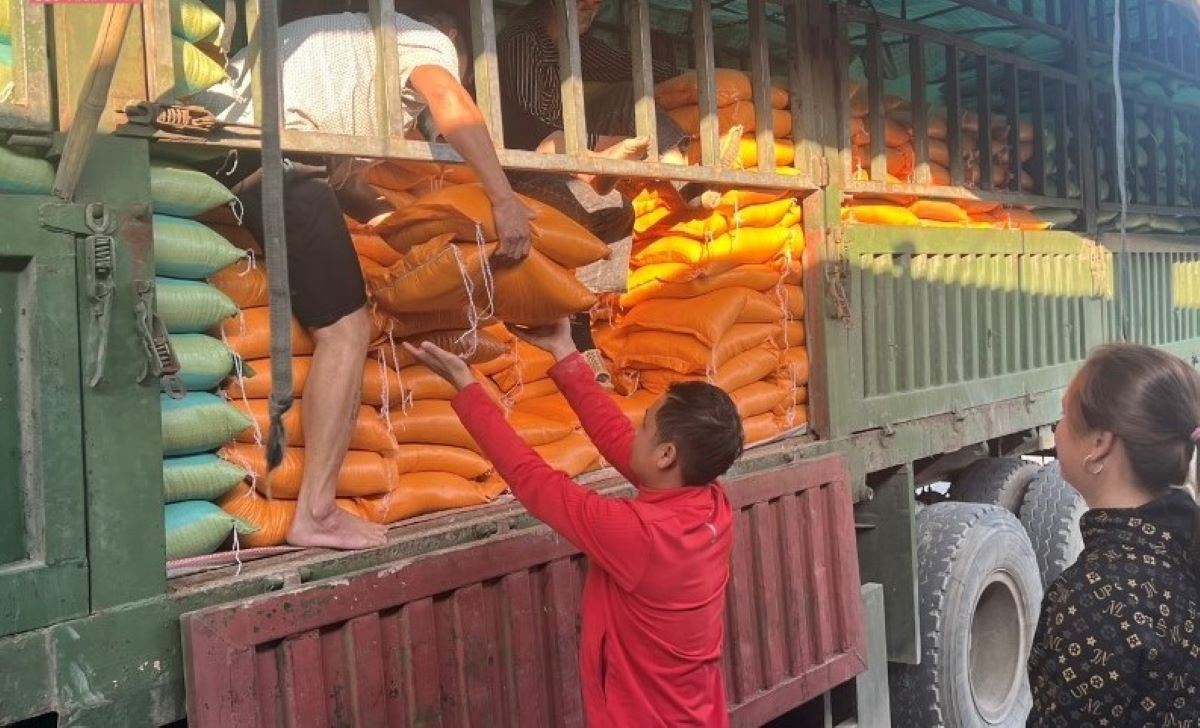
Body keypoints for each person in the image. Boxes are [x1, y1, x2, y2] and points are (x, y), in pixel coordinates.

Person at [196, 8, 534, 550]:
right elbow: (452, 103)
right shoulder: (427, 42)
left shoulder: (344, 51)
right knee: (347, 329)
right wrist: (503, 197)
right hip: (275, 153)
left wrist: (395, 226)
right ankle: (316, 512)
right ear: (452, 41)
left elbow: (349, 188)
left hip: (226, 146)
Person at [404, 317, 742, 727]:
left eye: (645, 425)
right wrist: (565, 352)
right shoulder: (710, 503)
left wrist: (467, 386)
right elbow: (620, 440)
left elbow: (536, 483)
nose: (635, 431)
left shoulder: (638, 535)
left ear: (667, 455)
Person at [497, 0, 691, 374]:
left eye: (596, 10)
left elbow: (633, 68)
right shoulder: (520, 40)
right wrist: (601, 144)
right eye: (583, 8)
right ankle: (580, 323)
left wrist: (694, 75)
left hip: (568, 154)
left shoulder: (577, 46)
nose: (592, 16)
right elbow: (531, 128)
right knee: (615, 206)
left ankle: (686, 181)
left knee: (631, 95)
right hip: (525, 166)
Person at [1027, 343, 1200, 726]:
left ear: (1099, 445)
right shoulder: (1184, 546)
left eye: (1065, 415)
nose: (1057, 429)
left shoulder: (1092, 600)